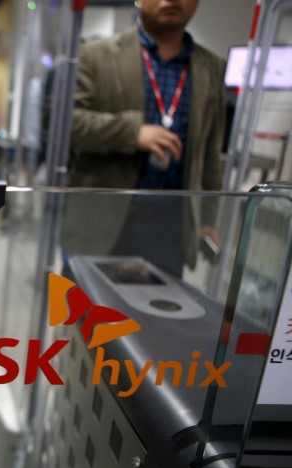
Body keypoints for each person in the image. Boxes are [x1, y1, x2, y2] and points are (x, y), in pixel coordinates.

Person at [64, 0, 225, 277]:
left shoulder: (211, 68)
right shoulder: (95, 55)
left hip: (170, 225)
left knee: (158, 316)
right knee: (89, 314)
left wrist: (208, 218)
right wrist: (132, 132)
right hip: (102, 219)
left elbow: (209, 153)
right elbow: (71, 124)